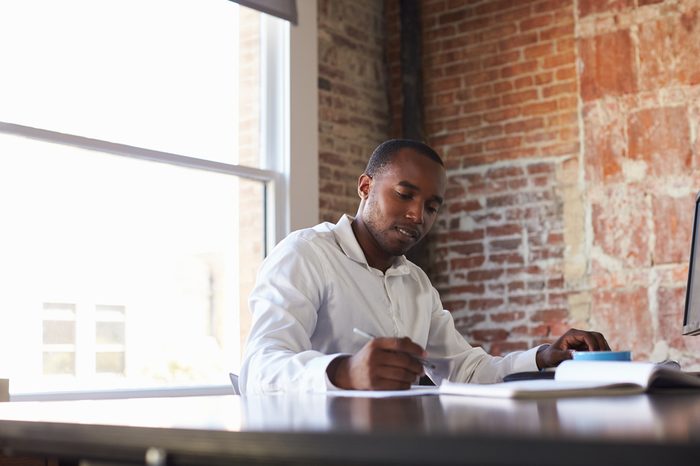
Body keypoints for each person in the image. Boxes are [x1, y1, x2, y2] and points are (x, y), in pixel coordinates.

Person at [240, 139, 610, 394]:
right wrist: (344, 372)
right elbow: (258, 368)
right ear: (365, 187)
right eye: (404, 195)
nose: (417, 215)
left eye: (432, 206)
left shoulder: (415, 282)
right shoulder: (305, 255)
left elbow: (464, 369)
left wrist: (543, 357)